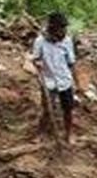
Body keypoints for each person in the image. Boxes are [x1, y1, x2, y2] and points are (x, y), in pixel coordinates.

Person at [31, 11, 76, 145]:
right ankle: (40, 134)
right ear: (52, 28)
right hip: (48, 82)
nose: (63, 31)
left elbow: (71, 62)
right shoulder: (40, 41)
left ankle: (69, 133)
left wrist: (77, 83)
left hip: (65, 81)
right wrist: (37, 64)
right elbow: (35, 59)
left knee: (68, 110)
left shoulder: (67, 41)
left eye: (64, 28)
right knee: (47, 109)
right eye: (60, 28)